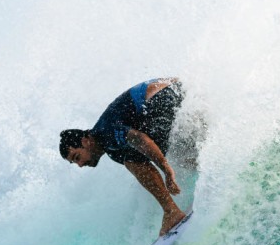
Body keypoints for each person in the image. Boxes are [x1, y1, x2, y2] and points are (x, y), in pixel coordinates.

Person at [60, 78, 187, 236]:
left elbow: (140, 139)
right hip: (179, 90)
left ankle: (171, 211)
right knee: (168, 151)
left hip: (164, 96)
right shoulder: (114, 151)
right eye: (75, 162)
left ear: (86, 141)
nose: (80, 165)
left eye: (77, 157)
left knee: (133, 160)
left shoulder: (105, 133)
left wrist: (166, 170)